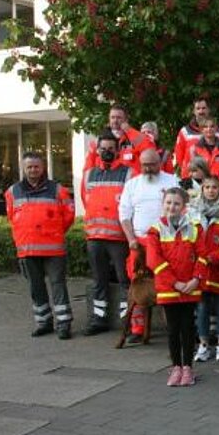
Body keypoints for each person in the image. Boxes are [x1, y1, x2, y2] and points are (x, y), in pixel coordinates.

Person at [6, 152, 76, 339]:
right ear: (23, 168)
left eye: (36, 166)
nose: (33, 170)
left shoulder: (57, 189)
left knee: (58, 286)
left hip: (53, 248)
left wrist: (54, 232)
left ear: (43, 167)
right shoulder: (12, 192)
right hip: (27, 249)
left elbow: (69, 214)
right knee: (35, 288)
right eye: (29, 167)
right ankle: (43, 321)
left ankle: (64, 323)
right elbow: (12, 217)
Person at [119, 149, 180, 343]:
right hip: (140, 243)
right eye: (144, 165)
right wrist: (131, 239)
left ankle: (173, 326)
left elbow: (184, 208)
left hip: (166, 242)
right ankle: (137, 329)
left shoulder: (172, 181)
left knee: (167, 280)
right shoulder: (132, 185)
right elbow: (124, 215)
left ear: (159, 163)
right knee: (137, 283)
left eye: (152, 164)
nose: (148, 169)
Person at [145, 187, 205, 386]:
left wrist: (196, 279)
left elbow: (203, 256)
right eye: (169, 203)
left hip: (189, 286)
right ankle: (176, 367)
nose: (172, 207)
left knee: (188, 328)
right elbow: (154, 260)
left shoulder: (195, 228)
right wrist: (175, 283)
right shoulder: (155, 230)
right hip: (170, 288)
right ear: (163, 205)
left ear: (184, 206)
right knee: (172, 329)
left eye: (176, 203)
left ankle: (188, 368)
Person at [80, 132, 134, 336]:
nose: (107, 152)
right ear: (97, 150)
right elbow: (86, 201)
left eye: (111, 148)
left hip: (119, 238)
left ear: (118, 150)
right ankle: (98, 320)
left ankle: (126, 320)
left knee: (124, 280)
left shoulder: (128, 173)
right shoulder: (89, 174)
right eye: (103, 148)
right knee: (98, 281)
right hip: (94, 237)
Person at [190, 175, 219, 363]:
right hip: (200, 270)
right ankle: (203, 346)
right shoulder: (193, 212)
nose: (210, 190)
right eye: (207, 187)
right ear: (202, 190)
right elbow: (189, 239)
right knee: (202, 309)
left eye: (214, 187)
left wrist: (216, 256)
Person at [85, 103, 155, 174]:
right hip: (105, 182)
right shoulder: (99, 141)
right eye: (112, 117)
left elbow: (149, 150)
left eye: (119, 118)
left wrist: (129, 131)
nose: (115, 121)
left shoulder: (134, 138)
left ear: (126, 120)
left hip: (131, 182)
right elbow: (88, 170)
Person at [173, 97, 219, 179]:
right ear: (194, 111)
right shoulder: (185, 132)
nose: (201, 111)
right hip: (196, 179)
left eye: (204, 108)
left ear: (208, 110)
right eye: (198, 108)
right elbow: (180, 158)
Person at [189, 118, 219, 193]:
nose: (209, 129)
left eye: (212, 126)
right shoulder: (193, 150)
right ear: (201, 130)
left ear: (216, 128)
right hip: (202, 191)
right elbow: (191, 173)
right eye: (206, 127)